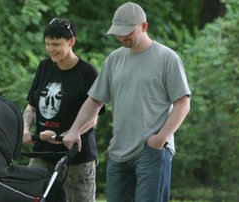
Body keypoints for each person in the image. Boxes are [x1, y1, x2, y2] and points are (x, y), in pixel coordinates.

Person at [63, 2, 191, 202]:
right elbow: (95, 100)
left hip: (152, 152)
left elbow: (183, 103)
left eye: (128, 32)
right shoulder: (113, 59)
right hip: (118, 153)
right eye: (118, 32)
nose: (122, 37)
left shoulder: (167, 58)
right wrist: (74, 130)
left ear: (144, 26)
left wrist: (160, 139)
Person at [22, 18, 105, 202]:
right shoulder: (44, 67)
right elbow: (31, 107)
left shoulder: (88, 73)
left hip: (76, 158)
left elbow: (93, 119)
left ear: (71, 41)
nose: (51, 49)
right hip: (42, 153)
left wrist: (67, 135)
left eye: (56, 44)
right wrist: (26, 129)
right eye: (48, 44)